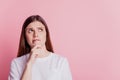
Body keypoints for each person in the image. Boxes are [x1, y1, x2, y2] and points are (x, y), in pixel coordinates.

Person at [8, 15, 72, 80]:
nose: (36, 34)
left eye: (40, 30)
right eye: (30, 31)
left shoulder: (61, 62)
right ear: (25, 36)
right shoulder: (16, 63)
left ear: (46, 34)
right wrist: (29, 64)